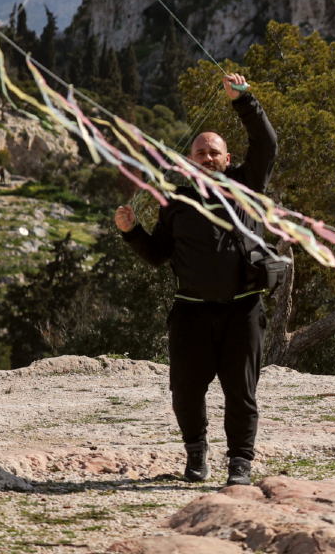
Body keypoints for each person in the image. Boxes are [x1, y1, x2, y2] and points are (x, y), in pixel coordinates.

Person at [114, 72, 277, 486]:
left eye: (215, 152)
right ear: (190, 161)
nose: (207, 157)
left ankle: (240, 461)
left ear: (227, 159)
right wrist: (131, 232)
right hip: (189, 314)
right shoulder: (176, 204)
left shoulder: (245, 186)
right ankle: (196, 453)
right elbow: (157, 256)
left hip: (243, 310)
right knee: (185, 393)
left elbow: (267, 144)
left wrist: (244, 100)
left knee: (241, 393)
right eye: (200, 152)